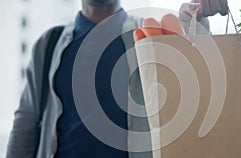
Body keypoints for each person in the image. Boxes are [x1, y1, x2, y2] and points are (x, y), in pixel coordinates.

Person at [6, 0, 228, 158]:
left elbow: (187, 94)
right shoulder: (49, 44)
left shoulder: (150, 36)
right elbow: (27, 121)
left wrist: (196, 23)